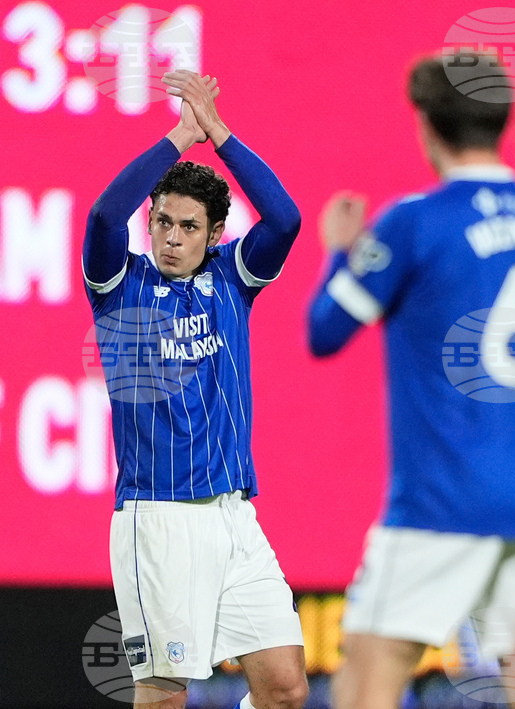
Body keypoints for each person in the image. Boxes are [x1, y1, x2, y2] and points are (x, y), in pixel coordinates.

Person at [306, 55, 515, 709]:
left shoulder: (413, 222)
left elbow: (324, 331)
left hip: (439, 504)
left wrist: (339, 251)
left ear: (426, 126)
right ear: (502, 123)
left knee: (367, 677)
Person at [83, 70, 306, 709]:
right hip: (158, 518)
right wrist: (181, 137)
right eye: (162, 223)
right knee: (164, 698)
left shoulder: (232, 282)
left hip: (236, 517)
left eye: (187, 227)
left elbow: (285, 217)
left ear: (213, 236)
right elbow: (103, 214)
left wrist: (223, 136)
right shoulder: (117, 286)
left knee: (287, 689)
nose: (171, 237)